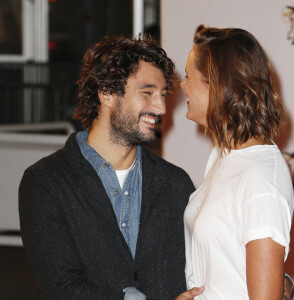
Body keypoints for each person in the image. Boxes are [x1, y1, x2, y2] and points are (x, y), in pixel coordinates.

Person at [18, 35, 201, 300]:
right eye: (147, 92)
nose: (161, 107)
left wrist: (281, 280)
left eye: (162, 95)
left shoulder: (176, 183)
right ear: (106, 93)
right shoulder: (45, 182)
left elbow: (206, 260)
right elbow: (61, 286)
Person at [180, 25, 294, 299]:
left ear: (218, 85)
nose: (181, 84)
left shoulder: (261, 178)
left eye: (188, 76)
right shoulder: (223, 154)